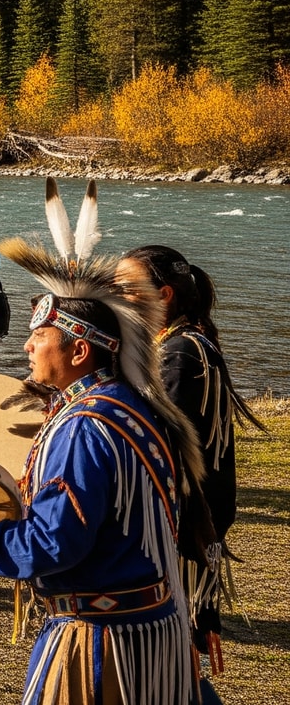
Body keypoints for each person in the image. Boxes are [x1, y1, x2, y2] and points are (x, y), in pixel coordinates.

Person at [0, 229, 212, 705]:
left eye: (38, 337)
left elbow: (48, 547)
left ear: (79, 351)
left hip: (105, 648)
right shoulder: (131, 407)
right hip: (153, 632)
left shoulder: (85, 426)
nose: (26, 347)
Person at [118, 245, 262, 697]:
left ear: (161, 294)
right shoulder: (186, 345)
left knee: (168, 663)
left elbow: (158, 453)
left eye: (124, 288)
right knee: (168, 661)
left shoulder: (179, 355)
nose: (114, 295)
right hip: (188, 528)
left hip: (175, 531)